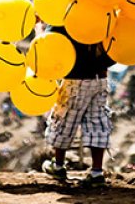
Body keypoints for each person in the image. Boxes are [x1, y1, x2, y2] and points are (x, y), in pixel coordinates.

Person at [42, 26, 114, 187]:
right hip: (100, 79)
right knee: (98, 122)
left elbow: (46, 44)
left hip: (75, 79)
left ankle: (58, 166)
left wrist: (39, 28)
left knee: (64, 120)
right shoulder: (104, 19)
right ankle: (96, 172)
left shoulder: (67, 21)